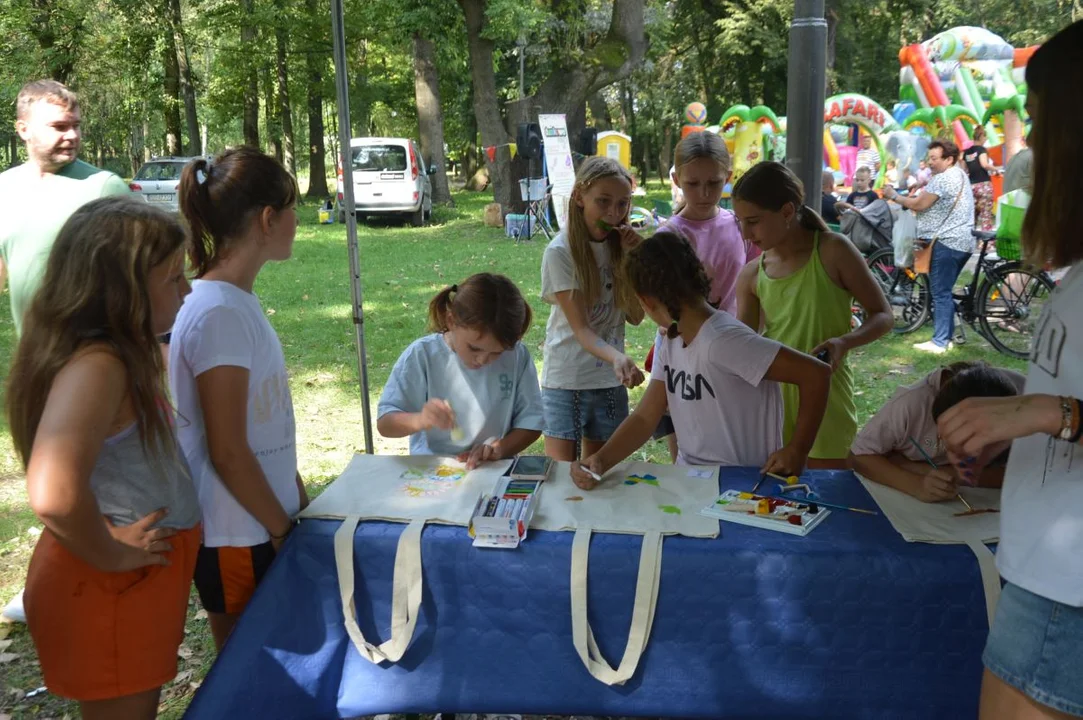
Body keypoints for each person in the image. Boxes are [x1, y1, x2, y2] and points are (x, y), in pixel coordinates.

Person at [936, 21, 1083, 720]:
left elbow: (1065, 409)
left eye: (1039, 116)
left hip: (1067, 593)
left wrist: (1047, 414)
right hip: (1042, 577)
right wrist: (1017, 423)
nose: (1028, 140)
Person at [8, 196, 198, 720]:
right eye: (175, 279)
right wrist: (112, 555)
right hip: (111, 583)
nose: (187, 291)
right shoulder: (99, 367)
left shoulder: (120, 353)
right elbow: (52, 491)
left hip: (130, 583)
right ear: (125, 290)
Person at [172, 148, 308, 651]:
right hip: (237, 533)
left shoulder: (233, 302)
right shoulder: (218, 313)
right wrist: (280, 528)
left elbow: (259, 423)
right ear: (269, 219)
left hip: (259, 521)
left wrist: (291, 492)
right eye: (292, 207)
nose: (298, 219)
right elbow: (226, 448)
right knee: (249, 664)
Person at [568, 231, 831, 489]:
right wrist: (601, 459)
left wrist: (798, 449)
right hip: (693, 480)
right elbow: (646, 416)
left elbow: (816, 374)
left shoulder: (724, 340)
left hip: (743, 483)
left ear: (646, 301)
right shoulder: (671, 339)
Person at [734, 161, 893, 468]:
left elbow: (883, 316)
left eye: (753, 221)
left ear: (787, 211)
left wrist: (844, 342)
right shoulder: (752, 274)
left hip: (828, 407)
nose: (744, 233)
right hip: (772, 409)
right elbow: (741, 347)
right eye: (739, 221)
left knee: (826, 499)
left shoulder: (833, 251)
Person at [0, 80, 128, 336]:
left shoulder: (105, 189)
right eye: (59, 127)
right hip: (34, 358)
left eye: (76, 126)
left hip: (95, 358)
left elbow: (143, 279)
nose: (72, 135)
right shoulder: (5, 187)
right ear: (23, 129)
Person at [377, 273, 544, 468]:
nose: (483, 360)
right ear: (451, 321)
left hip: (493, 470)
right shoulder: (423, 356)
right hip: (432, 471)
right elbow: (385, 424)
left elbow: (531, 423)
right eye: (474, 348)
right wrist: (419, 419)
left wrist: (500, 448)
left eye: (496, 353)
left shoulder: (516, 356)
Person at [540, 156, 645, 462]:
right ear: (579, 197)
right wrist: (618, 357)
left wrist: (633, 260)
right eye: (603, 202)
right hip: (566, 381)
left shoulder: (623, 248)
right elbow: (582, 330)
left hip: (611, 382)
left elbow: (637, 316)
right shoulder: (560, 252)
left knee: (602, 476)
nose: (614, 214)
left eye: (623, 204)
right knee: (561, 477)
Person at [850, 361, 1025, 502]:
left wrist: (936, 472)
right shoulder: (910, 406)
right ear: (941, 423)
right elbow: (858, 455)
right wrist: (915, 485)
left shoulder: (1027, 402)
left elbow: (1026, 475)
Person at [883, 140, 975, 355]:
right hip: (963, 241)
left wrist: (894, 196)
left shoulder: (942, 179)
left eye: (935, 158)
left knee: (940, 292)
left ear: (949, 159)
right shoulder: (959, 174)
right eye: (929, 158)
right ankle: (948, 336)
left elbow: (918, 205)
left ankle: (940, 342)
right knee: (944, 290)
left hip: (947, 241)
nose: (930, 163)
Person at [664, 131, 760, 315]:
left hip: (737, 338)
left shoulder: (740, 226)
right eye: (693, 184)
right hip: (688, 341)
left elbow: (758, 284)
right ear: (677, 180)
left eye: (714, 183)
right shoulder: (669, 236)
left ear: (728, 177)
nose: (704, 193)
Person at [963, 126, 999, 231]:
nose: (986, 139)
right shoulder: (982, 150)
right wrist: (995, 169)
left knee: (971, 215)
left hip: (971, 186)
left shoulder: (967, 152)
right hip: (984, 185)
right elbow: (984, 164)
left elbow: (965, 169)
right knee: (985, 214)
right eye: (985, 137)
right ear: (981, 136)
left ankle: (970, 239)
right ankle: (985, 243)